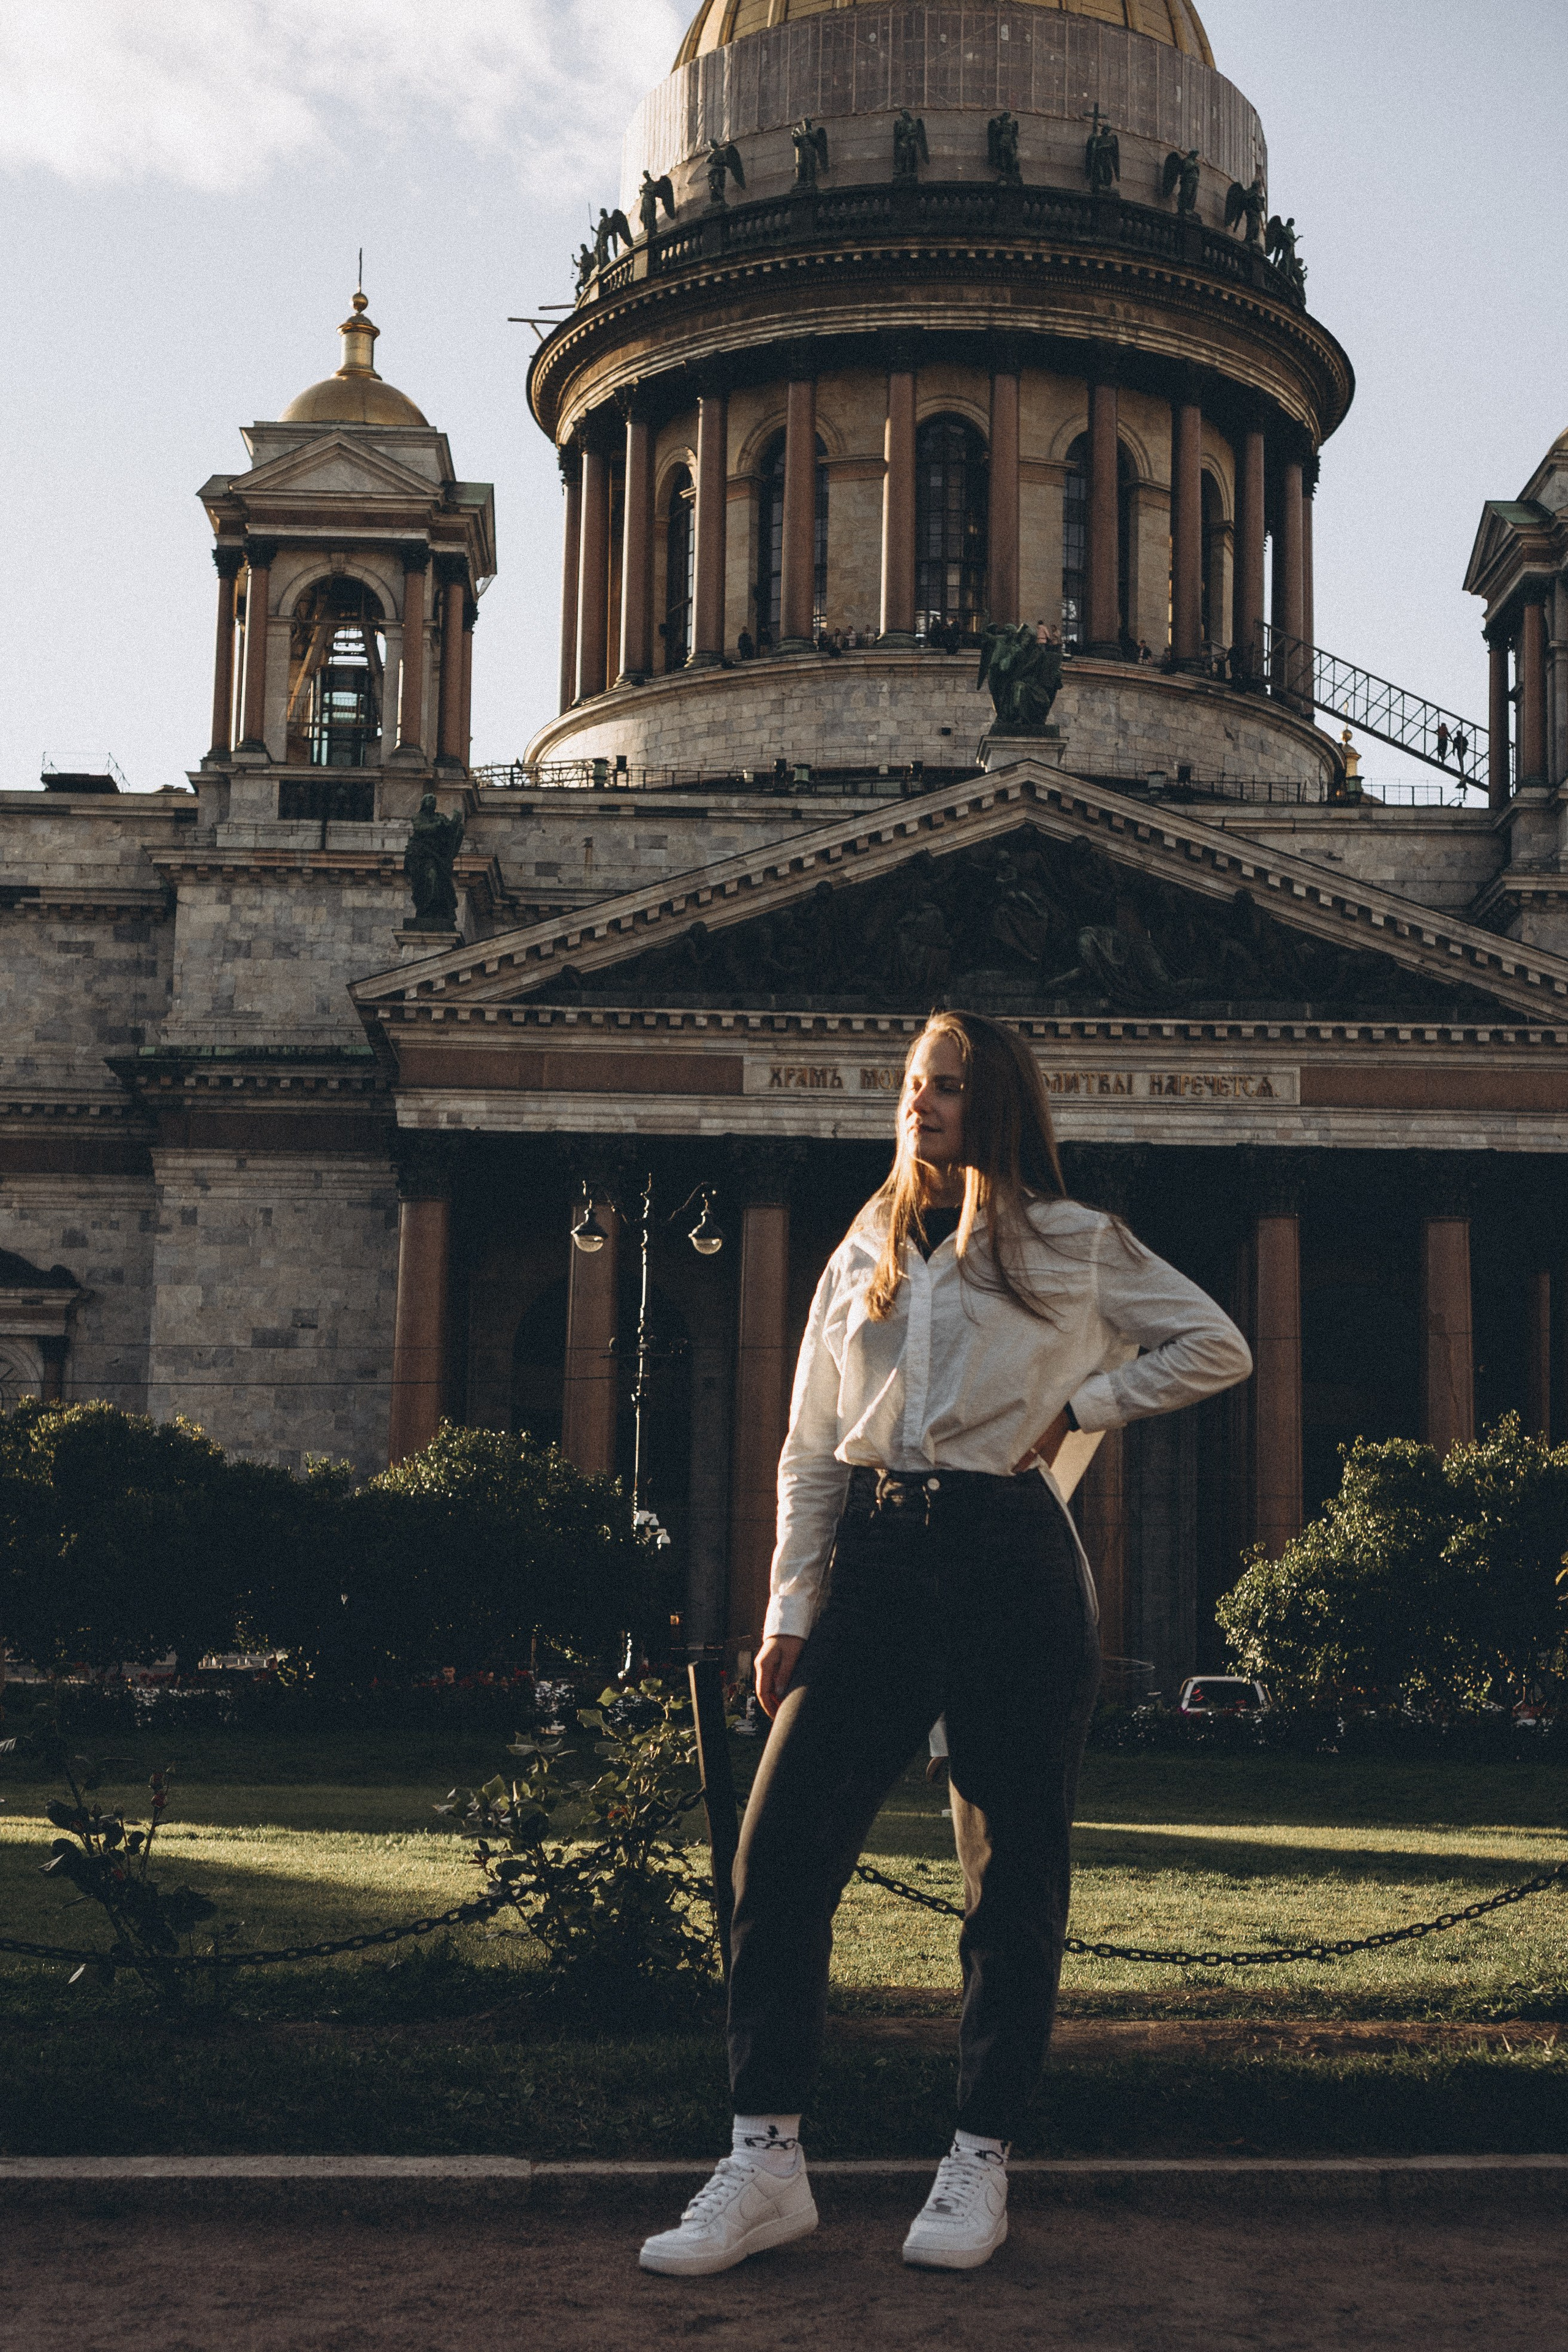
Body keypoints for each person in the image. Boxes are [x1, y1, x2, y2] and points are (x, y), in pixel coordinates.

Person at [639, 1011, 1253, 2281]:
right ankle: (764, 2164)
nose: (923, 1104)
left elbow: (1215, 1344)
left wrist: (1084, 1405)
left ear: (1001, 1105)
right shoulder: (863, 1246)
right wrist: (786, 1609)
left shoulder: (1072, 1245)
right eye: (914, 1084)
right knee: (776, 1859)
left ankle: (978, 2158)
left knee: (1008, 1878)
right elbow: (812, 1445)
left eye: (952, 1088)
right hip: (873, 1560)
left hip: (1011, 1564)